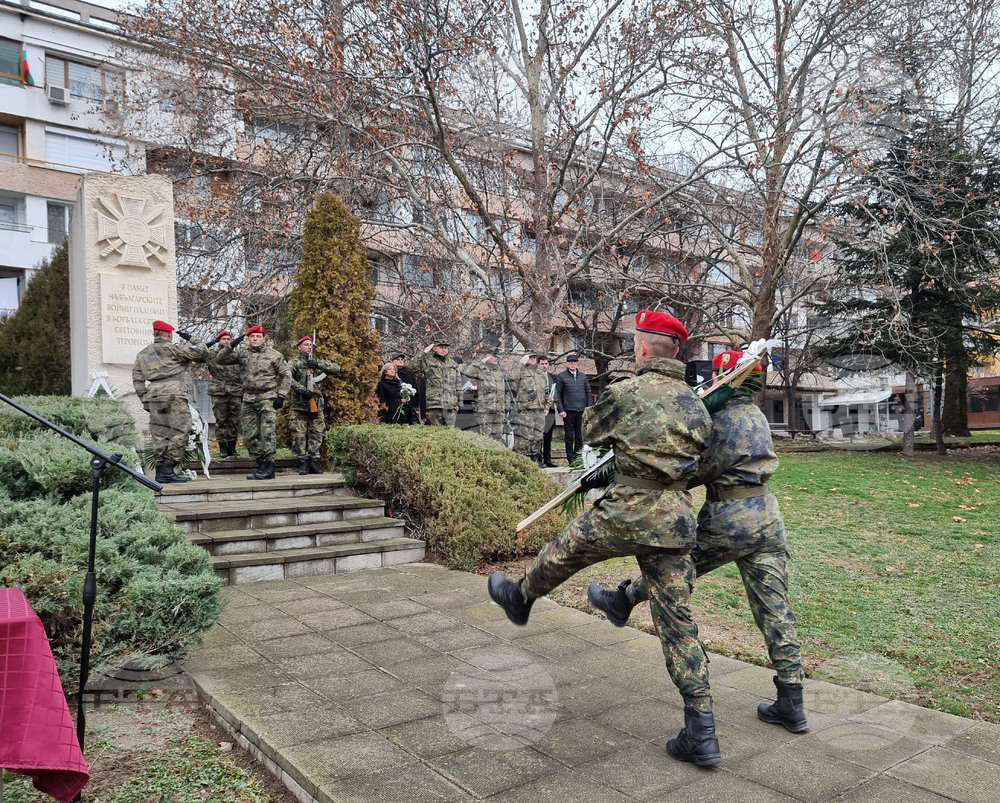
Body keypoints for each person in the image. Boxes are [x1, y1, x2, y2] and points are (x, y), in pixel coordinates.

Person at [488, 310, 720, 765]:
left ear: (642, 347)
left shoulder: (626, 392)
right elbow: (702, 459)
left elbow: (593, 431)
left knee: (565, 549)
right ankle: (703, 730)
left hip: (626, 512)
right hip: (673, 522)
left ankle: (521, 597)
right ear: (676, 351)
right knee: (678, 624)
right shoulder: (697, 402)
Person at [587, 349, 808, 735]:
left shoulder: (719, 418)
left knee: (672, 575)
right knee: (775, 609)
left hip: (728, 520)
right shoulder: (756, 413)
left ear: (724, 378)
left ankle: (621, 600)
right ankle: (793, 700)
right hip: (768, 518)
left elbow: (688, 472)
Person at [131, 320, 210, 484]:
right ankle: (168, 467)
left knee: (160, 432)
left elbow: (137, 379)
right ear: (168, 334)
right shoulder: (175, 349)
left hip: (153, 394)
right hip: (174, 392)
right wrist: (191, 338)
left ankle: (161, 470)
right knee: (180, 429)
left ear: (154, 333)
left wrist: (144, 399)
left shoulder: (143, 354)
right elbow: (203, 351)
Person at [214, 324, 291, 480]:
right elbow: (220, 360)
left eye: (258, 336)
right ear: (248, 339)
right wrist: (231, 345)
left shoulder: (274, 355)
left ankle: (269, 467)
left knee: (267, 433)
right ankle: (261, 464)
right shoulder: (242, 354)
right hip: (248, 398)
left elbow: (287, 375)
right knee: (249, 435)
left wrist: (281, 396)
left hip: (267, 398)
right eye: (252, 336)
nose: (255, 339)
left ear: (264, 339)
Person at [287, 334, 341, 475]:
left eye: (310, 345)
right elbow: (287, 378)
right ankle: (302, 463)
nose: (308, 347)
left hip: (316, 404)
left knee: (317, 433)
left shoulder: (317, 362)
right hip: (299, 404)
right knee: (299, 434)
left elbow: (336, 368)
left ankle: (313, 462)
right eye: (305, 345)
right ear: (299, 347)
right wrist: (302, 389)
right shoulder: (294, 362)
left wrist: (318, 365)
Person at [205, 330, 244, 458]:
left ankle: (232, 447)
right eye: (223, 339)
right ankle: (222, 447)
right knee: (221, 420)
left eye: (229, 339)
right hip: (219, 391)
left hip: (236, 391)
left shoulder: (237, 354)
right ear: (218, 341)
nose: (227, 341)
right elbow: (200, 351)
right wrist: (211, 343)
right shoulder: (212, 354)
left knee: (233, 420)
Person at [509, 352, 551, 464]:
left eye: (534, 357)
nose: (532, 359)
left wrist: (547, 406)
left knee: (538, 435)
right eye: (530, 357)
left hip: (539, 410)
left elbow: (546, 391)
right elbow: (511, 378)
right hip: (525, 409)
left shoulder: (540, 373)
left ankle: (535, 458)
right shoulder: (520, 370)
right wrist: (520, 363)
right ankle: (524, 460)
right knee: (525, 435)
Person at [409, 341, 462, 426]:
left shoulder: (453, 363)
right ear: (435, 348)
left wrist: (459, 403)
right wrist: (423, 353)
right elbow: (413, 367)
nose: (444, 350)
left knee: (450, 434)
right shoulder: (428, 361)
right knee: (435, 433)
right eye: (441, 347)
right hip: (434, 404)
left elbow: (458, 383)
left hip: (450, 404)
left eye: (445, 348)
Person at [554, 353, 593, 465]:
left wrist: (588, 408)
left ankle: (578, 457)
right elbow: (558, 394)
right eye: (571, 362)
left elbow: (588, 392)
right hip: (568, 411)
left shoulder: (583, 376)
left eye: (575, 361)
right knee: (569, 436)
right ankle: (570, 459)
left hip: (581, 410)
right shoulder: (561, 376)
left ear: (577, 363)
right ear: (567, 363)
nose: (573, 363)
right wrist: (561, 410)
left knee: (580, 436)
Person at [462, 352, 508, 442]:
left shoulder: (499, 371)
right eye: (493, 356)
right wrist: (481, 361)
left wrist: (505, 407)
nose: (496, 358)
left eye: (497, 356)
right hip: (485, 409)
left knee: (498, 436)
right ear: (488, 356)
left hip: (498, 409)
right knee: (485, 436)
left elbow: (504, 390)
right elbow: (467, 372)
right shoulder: (481, 369)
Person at [538, 356, 558, 467]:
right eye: (542, 364)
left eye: (546, 363)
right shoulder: (535, 377)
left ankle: (547, 459)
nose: (544, 366)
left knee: (548, 436)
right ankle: (538, 458)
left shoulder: (552, 377)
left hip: (550, 410)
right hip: (539, 410)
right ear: (538, 365)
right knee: (539, 435)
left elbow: (555, 392)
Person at [390, 352, 419, 424]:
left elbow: (415, 388)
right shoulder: (391, 373)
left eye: (402, 359)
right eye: (398, 359)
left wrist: (415, 404)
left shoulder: (409, 373)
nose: (400, 361)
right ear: (393, 361)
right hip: (395, 405)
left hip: (410, 405)